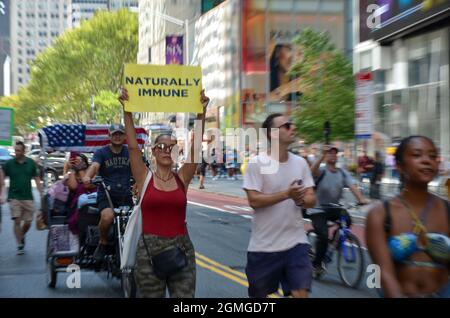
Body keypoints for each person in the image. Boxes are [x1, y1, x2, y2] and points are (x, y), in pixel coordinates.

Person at [120, 87, 210, 298]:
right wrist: (127, 111)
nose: (166, 150)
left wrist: (202, 112)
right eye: (161, 146)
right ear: (153, 151)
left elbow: (196, 148)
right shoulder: (144, 177)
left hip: (182, 249)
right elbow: (133, 148)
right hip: (149, 253)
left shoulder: (182, 178)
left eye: (171, 146)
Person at [243, 113, 316, 298]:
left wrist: (299, 199)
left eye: (292, 125)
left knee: (301, 292)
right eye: (287, 126)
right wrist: (286, 194)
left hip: (296, 242)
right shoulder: (257, 163)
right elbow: (254, 201)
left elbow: (311, 198)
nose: (293, 128)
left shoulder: (300, 163)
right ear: (272, 134)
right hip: (264, 247)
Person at [366, 136, 450, 298]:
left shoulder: (447, 210)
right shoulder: (380, 214)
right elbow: (383, 273)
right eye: (417, 155)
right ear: (399, 166)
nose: (427, 161)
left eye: (432, 156)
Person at [308, 145, 368, 278]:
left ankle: (335, 242)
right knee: (323, 235)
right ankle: (317, 265)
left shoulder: (342, 172)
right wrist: (321, 156)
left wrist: (361, 199)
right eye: (329, 153)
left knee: (347, 219)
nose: (332, 155)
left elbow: (352, 186)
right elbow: (311, 172)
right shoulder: (321, 170)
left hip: (334, 207)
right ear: (326, 156)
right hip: (318, 209)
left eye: (335, 153)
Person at [82, 124, 133, 262]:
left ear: (124, 136)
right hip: (107, 194)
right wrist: (88, 177)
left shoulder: (131, 152)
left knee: (136, 220)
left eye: (120, 134)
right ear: (109, 136)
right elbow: (94, 166)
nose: (117, 136)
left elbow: (141, 168)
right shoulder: (101, 152)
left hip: (126, 194)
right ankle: (103, 243)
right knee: (107, 217)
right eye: (114, 134)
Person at [3, 141, 43, 255]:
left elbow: (36, 178)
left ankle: (21, 235)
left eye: (18, 150)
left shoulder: (30, 163)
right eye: (15, 150)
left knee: (28, 222)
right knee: (17, 220)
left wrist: (41, 193)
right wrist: (2, 192)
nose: (16, 152)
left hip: (27, 197)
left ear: (24, 151)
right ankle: (20, 245)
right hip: (14, 196)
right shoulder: (9, 164)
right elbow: (2, 176)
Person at [65, 153, 96, 234]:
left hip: (93, 201)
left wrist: (81, 170)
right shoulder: (73, 174)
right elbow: (73, 186)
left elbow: (87, 185)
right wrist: (72, 169)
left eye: (80, 161)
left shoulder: (91, 173)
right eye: (76, 161)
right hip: (78, 205)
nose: (78, 163)